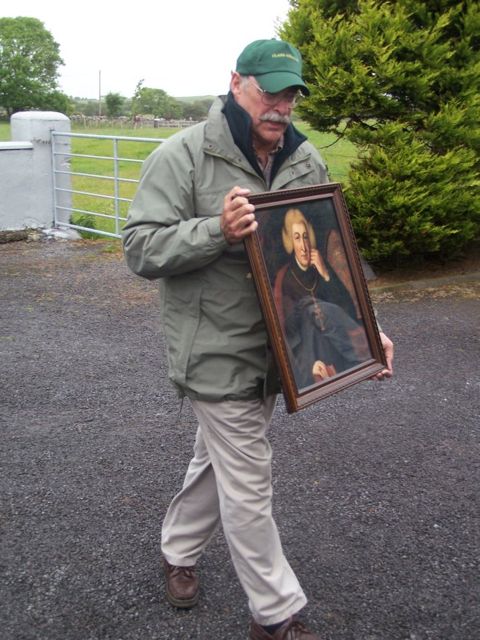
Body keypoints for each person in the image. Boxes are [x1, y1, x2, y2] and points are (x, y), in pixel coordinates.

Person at [122, 38, 394, 640]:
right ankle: (275, 616)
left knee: (218, 461)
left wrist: (368, 331)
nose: (281, 105)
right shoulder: (183, 156)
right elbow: (140, 248)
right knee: (249, 479)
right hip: (214, 349)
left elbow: (328, 254)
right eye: (270, 91)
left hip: (282, 351)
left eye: (291, 93)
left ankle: (178, 550)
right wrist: (214, 230)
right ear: (236, 82)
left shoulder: (304, 158)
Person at [275, 208, 369, 388]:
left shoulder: (320, 265)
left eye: (305, 237)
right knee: (314, 310)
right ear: (290, 242)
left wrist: (325, 274)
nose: (303, 246)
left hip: (335, 341)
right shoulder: (284, 277)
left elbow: (347, 309)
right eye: (297, 238)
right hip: (308, 347)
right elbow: (288, 329)